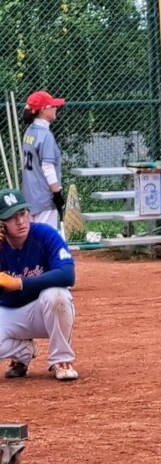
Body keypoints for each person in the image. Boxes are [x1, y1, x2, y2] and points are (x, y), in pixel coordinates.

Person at [0, 188, 78, 382]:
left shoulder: (44, 234)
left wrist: (20, 283)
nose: (20, 221)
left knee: (57, 295)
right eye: (12, 217)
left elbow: (68, 275)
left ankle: (61, 360)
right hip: (11, 315)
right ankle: (23, 351)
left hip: (45, 312)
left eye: (23, 213)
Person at [21, 90, 66, 231]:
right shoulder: (45, 135)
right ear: (42, 110)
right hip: (45, 198)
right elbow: (48, 168)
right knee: (46, 240)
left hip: (30, 197)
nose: (55, 108)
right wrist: (57, 193)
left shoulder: (29, 131)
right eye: (52, 106)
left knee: (34, 239)